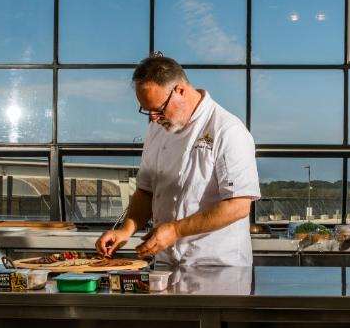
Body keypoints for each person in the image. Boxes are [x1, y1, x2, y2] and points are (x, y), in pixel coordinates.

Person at [95, 53, 260, 266]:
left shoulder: (227, 130)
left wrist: (175, 230)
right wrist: (126, 230)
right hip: (166, 263)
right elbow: (146, 191)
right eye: (147, 112)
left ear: (180, 91)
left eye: (158, 110)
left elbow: (238, 205)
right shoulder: (156, 129)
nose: (153, 118)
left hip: (217, 266)